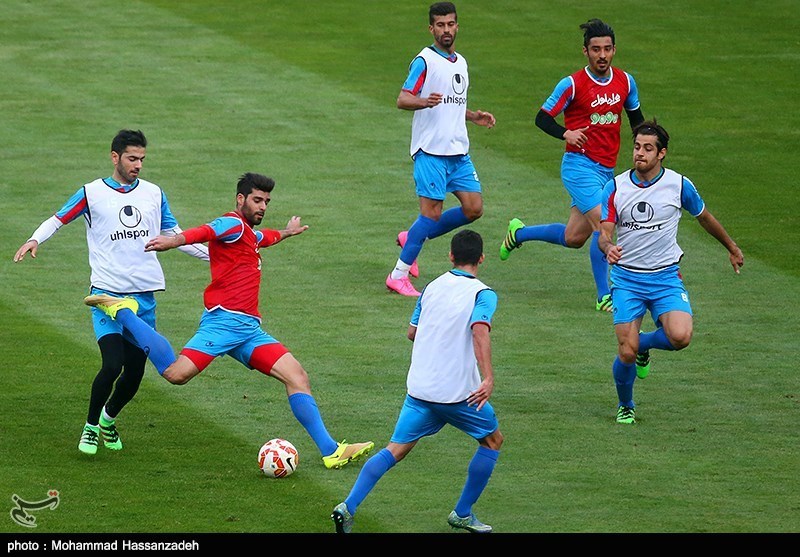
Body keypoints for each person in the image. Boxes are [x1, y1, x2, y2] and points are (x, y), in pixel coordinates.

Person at [83, 172, 375, 468]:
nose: (263, 206)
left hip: (248, 330)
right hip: (223, 324)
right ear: (240, 199)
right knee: (174, 373)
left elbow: (265, 237)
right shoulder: (231, 223)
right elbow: (206, 231)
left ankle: (331, 451)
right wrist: (174, 241)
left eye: (267, 201)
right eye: (257, 200)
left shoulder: (247, 233)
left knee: (297, 377)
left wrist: (287, 232)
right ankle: (123, 311)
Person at [13, 129, 209, 456]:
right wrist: (35, 239)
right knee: (112, 365)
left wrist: (221, 257)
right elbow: (58, 219)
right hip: (106, 296)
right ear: (115, 157)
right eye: (132, 158)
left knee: (135, 373)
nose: (138, 165)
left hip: (143, 297)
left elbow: (177, 237)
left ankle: (108, 418)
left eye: (142, 159)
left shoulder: (153, 194)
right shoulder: (91, 193)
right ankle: (90, 426)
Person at [332, 229, 502, 533]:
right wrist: (488, 377)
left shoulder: (431, 288)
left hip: (420, 389)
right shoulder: (483, 294)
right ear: (481, 258)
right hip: (457, 394)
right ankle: (462, 513)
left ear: (450, 256)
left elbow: (412, 332)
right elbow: (479, 329)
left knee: (395, 449)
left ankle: (348, 506)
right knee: (492, 440)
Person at [598, 120, 744, 424]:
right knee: (626, 352)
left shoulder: (678, 185)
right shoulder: (616, 187)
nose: (639, 153)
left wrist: (731, 247)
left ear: (661, 153)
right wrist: (608, 246)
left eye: (647, 148)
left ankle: (643, 345)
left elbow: (704, 217)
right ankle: (626, 405)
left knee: (680, 337)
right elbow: (604, 232)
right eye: (637, 147)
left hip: (665, 277)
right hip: (627, 279)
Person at [500, 18, 644, 313]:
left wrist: (647, 151)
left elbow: (637, 122)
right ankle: (604, 296)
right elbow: (542, 118)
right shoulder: (572, 84)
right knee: (604, 224)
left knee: (574, 237)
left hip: (606, 170)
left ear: (614, 50)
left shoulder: (626, 82)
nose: (602, 55)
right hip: (578, 166)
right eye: (595, 49)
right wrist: (566, 133)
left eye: (607, 49)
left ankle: (519, 233)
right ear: (585, 51)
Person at [386, 1, 496, 297]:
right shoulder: (424, 61)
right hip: (431, 152)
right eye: (440, 25)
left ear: (457, 26)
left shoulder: (460, 62)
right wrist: (424, 101)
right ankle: (398, 275)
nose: (446, 30)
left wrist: (472, 116)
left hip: (458, 153)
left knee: (474, 208)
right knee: (431, 215)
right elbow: (402, 99)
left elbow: (451, 104)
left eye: (450, 24)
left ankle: (412, 237)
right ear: (431, 28)